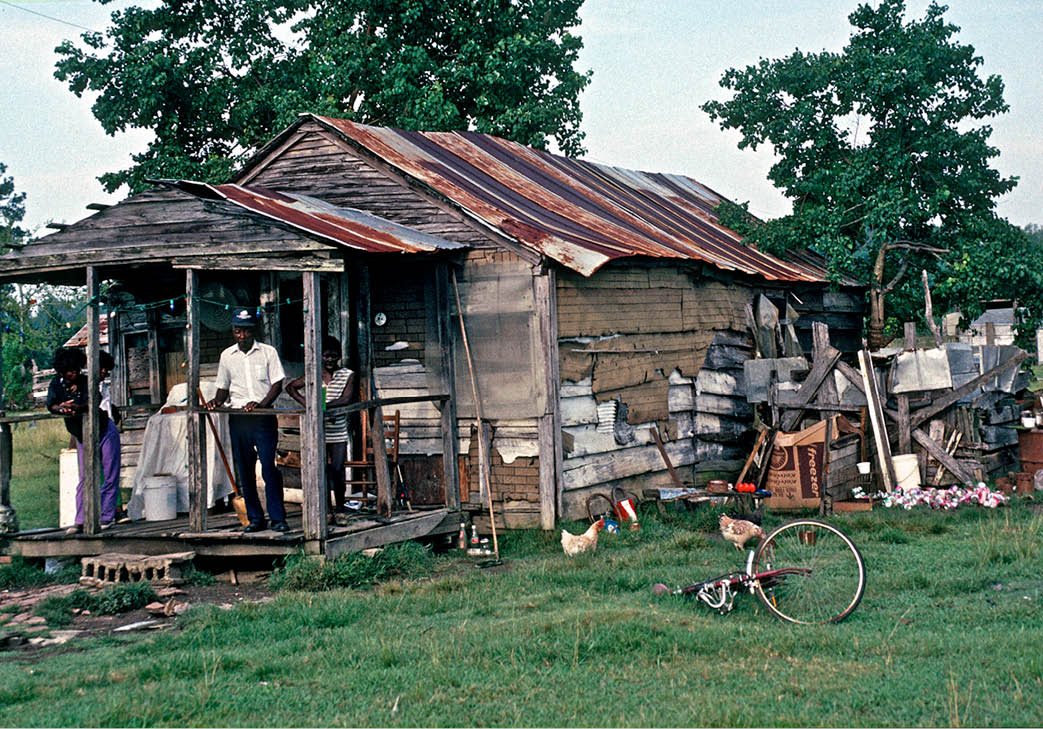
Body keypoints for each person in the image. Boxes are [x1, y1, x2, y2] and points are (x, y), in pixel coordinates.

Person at [206, 307, 288, 533]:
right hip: (238, 418)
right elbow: (223, 388)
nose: (242, 336)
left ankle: (278, 518)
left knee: (269, 470)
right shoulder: (227, 356)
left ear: (254, 330)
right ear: (233, 331)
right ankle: (255, 519)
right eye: (238, 331)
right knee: (245, 469)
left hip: (263, 418)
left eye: (246, 331)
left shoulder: (268, 352)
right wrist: (216, 401)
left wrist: (261, 405)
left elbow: (277, 384)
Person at [45, 347, 119, 533]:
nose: (74, 374)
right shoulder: (56, 384)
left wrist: (76, 407)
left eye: (77, 370)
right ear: (61, 371)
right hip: (81, 434)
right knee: (84, 477)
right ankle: (81, 519)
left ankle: (106, 516)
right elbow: (51, 405)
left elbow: (93, 400)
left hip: (103, 430)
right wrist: (61, 408)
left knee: (110, 474)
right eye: (70, 371)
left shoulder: (86, 382)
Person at [287, 336, 355, 519]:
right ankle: (327, 509)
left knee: (338, 469)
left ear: (339, 356)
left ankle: (340, 506)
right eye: (326, 356)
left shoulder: (347, 374)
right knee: (323, 470)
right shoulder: (314, 374)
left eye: (334, 356)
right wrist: (308, 403)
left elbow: (346, 399)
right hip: (319, 431)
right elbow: (291, 387)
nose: (330, 360)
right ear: (320, 356)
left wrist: (322, 406)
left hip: (338, 431)